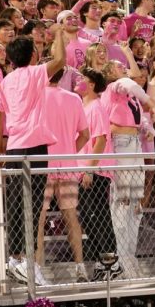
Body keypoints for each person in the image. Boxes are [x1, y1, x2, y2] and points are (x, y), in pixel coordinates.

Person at [0, 29, 66, 284]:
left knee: (16, 202)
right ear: (33, 54)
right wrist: (60, 33)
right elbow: (60, 61)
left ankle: (17, 258)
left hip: (13, 147)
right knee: (33, 204)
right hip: (34, 147)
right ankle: (24, 260)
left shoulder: (6, 80)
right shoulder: (35, 72)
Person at [36, 67, 90, 283]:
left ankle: (37, 269)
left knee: (38, 219)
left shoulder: (36, 96)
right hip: (68, 165)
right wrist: (68, 151)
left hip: (42, 165)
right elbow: (85, 135)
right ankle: (80, 267)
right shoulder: (74, 98)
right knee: (71, 216)